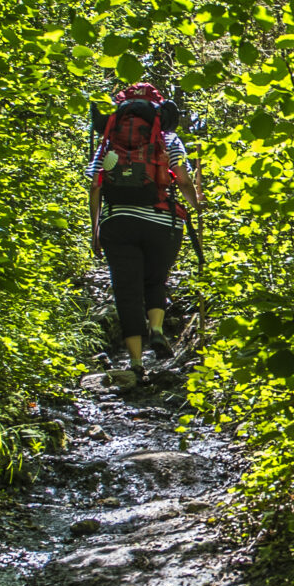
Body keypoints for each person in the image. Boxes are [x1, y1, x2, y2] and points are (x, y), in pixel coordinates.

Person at [88, 90, 202, 374]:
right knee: (156, 278)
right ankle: (157, 329)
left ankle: (136, 363)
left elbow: (95, 184)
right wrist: (197, 207)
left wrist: (95, 231)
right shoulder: (167, 137)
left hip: (118, 221)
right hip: (161, 221)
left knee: (126, 291)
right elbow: (184, 179)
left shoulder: (109, 140)